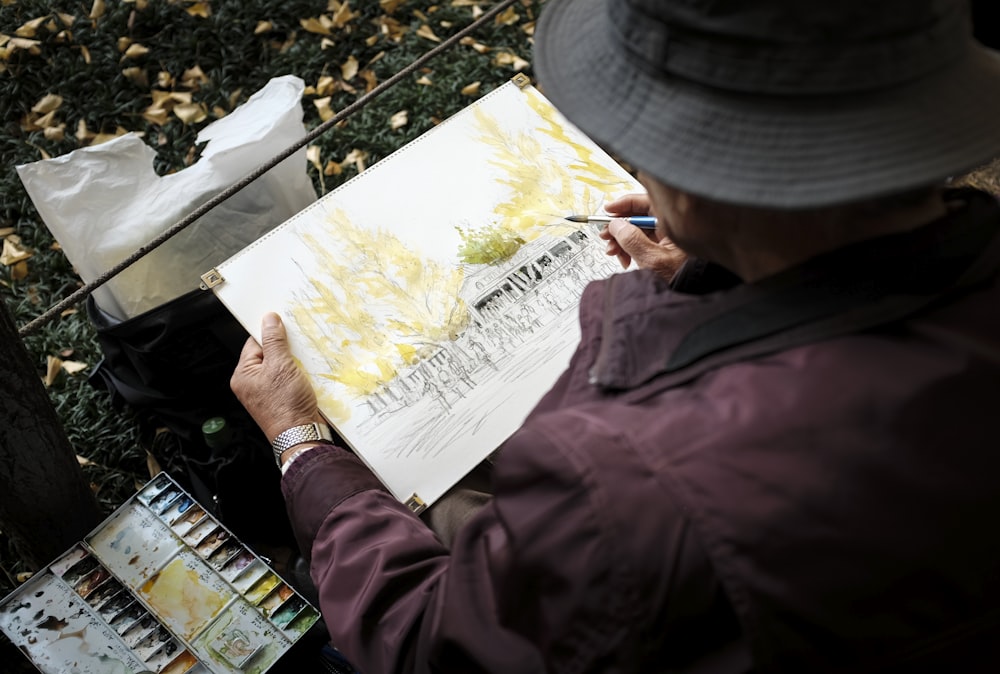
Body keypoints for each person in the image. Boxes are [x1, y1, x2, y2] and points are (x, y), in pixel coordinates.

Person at [231, 0, 1000, 671]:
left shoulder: (624, 483)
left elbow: (435, 644)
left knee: (446, 505)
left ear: (690, 185)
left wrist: (305, 450)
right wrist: (722, 267)